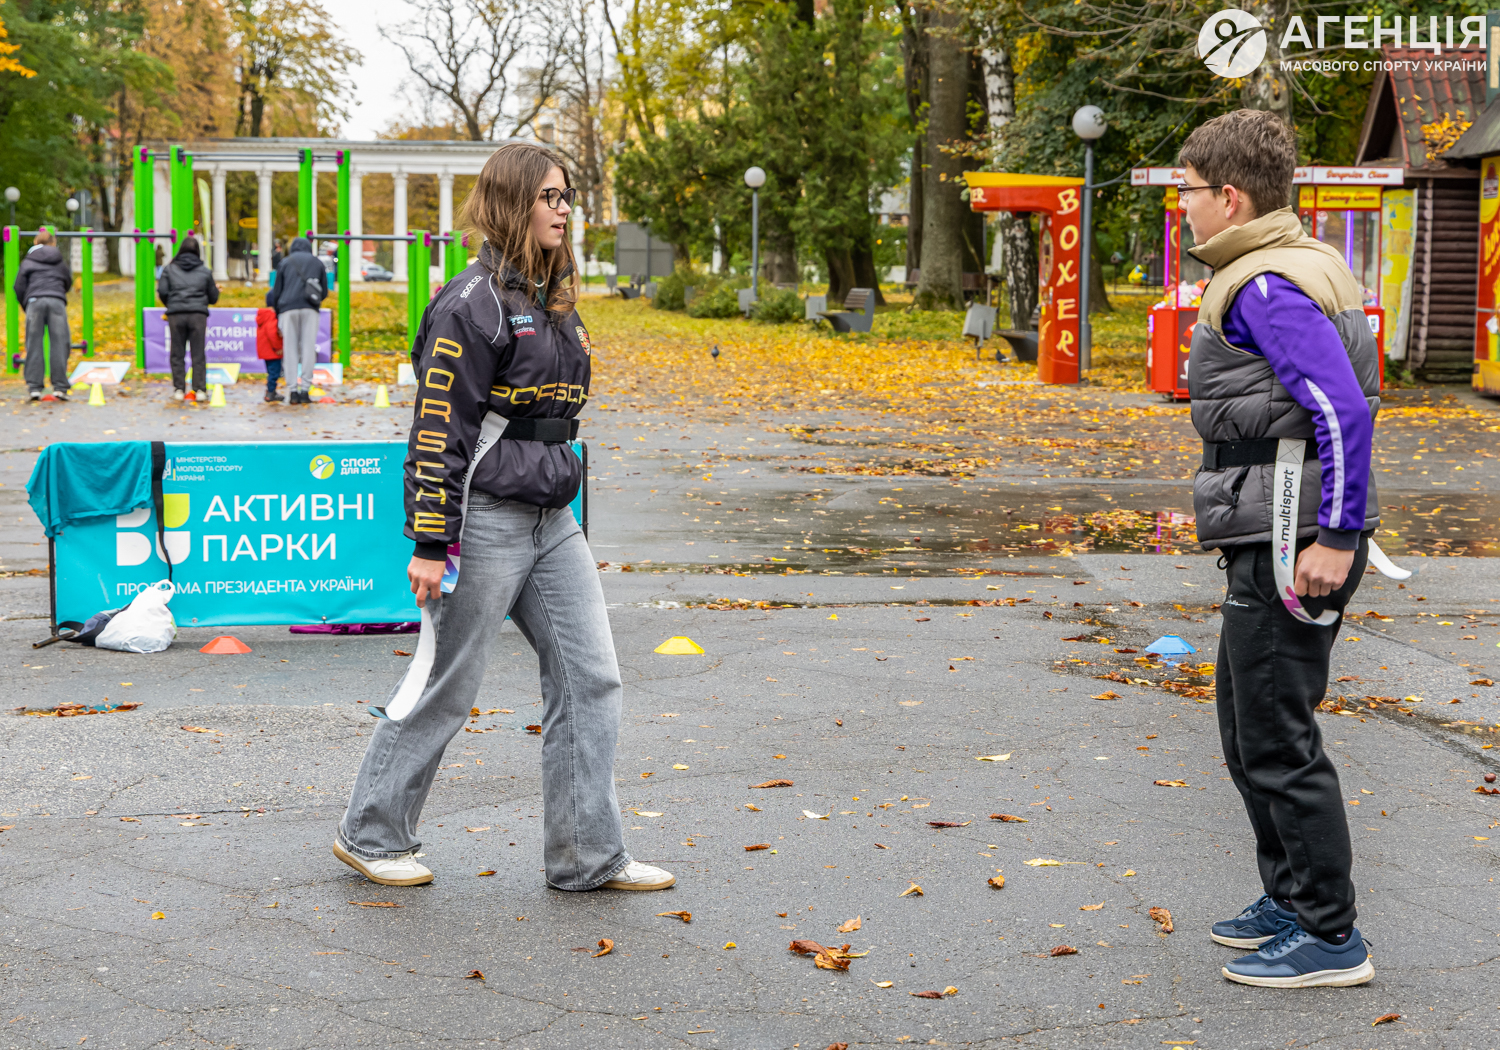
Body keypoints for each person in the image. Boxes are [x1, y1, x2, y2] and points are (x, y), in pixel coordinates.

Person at [334, 142, 672, 895]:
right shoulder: (470, 304)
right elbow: (437, 430)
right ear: (514, 203)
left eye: (567, 195)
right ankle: (372, 834)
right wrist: (432, 541)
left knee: (592, 678)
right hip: (482, 519)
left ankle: (586, 855)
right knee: (448, 683)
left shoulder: (555, 300)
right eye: (549, 196)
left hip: (553, 519)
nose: (563, 208)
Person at [1180, 110, 1381, 989]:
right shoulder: (1286, 264)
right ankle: (1292, 898)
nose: (1184, 207)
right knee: (1246, 726)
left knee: (1275, 738)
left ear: (1229, 197)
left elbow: (1343, 410)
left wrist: (1337, 536)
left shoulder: (1266, 284)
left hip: (1295, 535)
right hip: (1277, 526)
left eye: (1189, 191)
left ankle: (1331, 935)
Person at [156, 236, 220, 402]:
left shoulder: (169, 269)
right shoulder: (205, 271)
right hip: (198, 315)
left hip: (176, 315)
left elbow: (162, 291)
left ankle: (179, 389)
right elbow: (213, 297)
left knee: (177, 353)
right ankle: (200, 390)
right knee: (198, 353)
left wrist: (171, 304)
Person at [12, 228, 72, 402]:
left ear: (36, 242)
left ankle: (34, 388)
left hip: (34, 302)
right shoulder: (59, 260)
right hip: (56, 301)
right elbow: (67, 281)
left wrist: (27, 303)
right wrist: (58, 294)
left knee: (34, 343)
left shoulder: (28, 261)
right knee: (59, 343)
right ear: (53, 243)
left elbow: (18, 285)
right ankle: (60, 387)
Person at [265, 236, 326, 404]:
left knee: (290, 349)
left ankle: (292, 391)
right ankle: (305, 390)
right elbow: (324, 290)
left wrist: (278, 312)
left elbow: (276, 290)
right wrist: (315, 302)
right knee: (308, 348)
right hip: (310, 309)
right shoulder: (317, 262)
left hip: (288, 309)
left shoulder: (285, 262)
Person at [256, 305, 284, 402]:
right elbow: (272, 334)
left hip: (265, 350)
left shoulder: (263, 317)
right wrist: (278, 347)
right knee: (274, 373)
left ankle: (272, 391)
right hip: (273, 351)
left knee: (271, 372)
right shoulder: (272, 317)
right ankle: (270, 392)